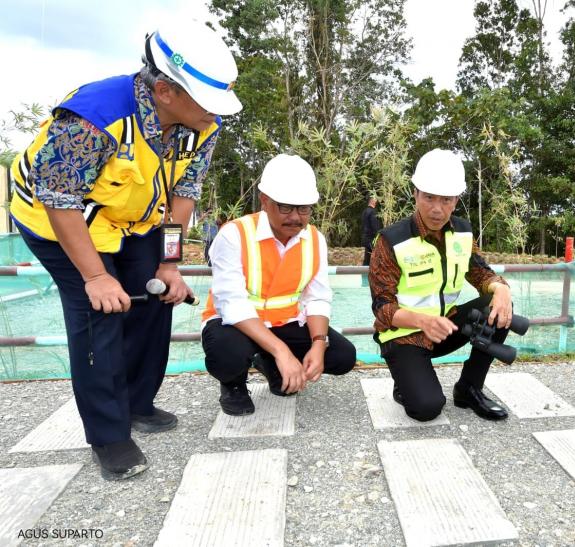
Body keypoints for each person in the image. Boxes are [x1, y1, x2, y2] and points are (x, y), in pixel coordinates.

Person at [8, 21, 242, 480]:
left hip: (133, 218)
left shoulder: (203, 124)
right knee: (98, 313)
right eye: (208, 102)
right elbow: (59, 199)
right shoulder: (94, 116)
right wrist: (96, 277)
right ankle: (108, 434)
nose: (217, 114)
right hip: (59, 220)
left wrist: (169, 264)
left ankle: (137, 402)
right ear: (165, 92)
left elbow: (184, 193)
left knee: (156, 295)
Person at [201, 154, 357, 416]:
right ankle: (233, 383)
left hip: (285, 322)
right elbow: (233, 306)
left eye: (304, 209)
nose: (295, 217)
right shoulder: (234, 234)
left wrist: (319, 343)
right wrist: (283, 351)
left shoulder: (314, 239)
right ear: (264, 201)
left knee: (342, 356)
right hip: (235, 325)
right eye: (285, 207)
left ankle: (269, 362)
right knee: (227, 353)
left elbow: (318, 297)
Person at [369, 149, 514, 422]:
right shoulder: (391, 240)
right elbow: (382, 307)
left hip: (445, 327)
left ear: (456, 200)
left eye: (446, 199)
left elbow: (480, 272)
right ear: (415, 194)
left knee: (497, 307)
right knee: (426, 408)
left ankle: (469, 388)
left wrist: (502, 289)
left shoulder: (463, 231)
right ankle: (406, 381)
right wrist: (423, 321)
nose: (437, 209)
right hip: (403, 335)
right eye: (429, 197)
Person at [361, 196, 382, 266]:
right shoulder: (373, 212)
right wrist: (379, 236)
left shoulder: (364, 211)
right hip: (372, 238)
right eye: (375, 199)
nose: (376, 201)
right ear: (372, 200)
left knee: (367, 258)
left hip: (365, 237)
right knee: (374, 258)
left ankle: (364, 271)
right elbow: (375, 226)